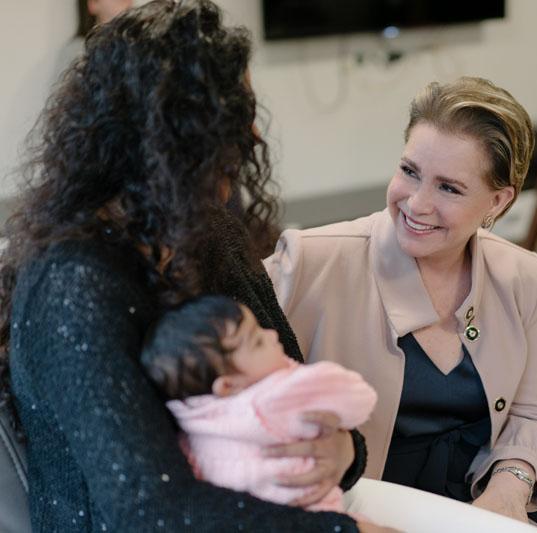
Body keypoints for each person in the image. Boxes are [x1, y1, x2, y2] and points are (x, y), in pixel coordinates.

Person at [0, 1, 390, 531]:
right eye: (233, 116)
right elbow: (146, 510)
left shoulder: (213, 235)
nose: (253, 137)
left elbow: (294, 382)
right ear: (169, 139)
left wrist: (345, 450)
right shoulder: (72, 285)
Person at [265, 77, 537, 532]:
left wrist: (511, 484)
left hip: (482, 462)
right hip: (377, 482)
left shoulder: (519, 273)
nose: (416, 203)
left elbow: (533, 412)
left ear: (497, 202)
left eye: (449, 188)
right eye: (409, 171)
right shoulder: (309, 261)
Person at [141, 295, 378, 514]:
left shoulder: (193, 423)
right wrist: (289, 369)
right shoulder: (281, 397)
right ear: (227, 386)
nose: (272, 335)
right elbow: (361, 399)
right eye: (257, 342)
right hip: (311, 513)